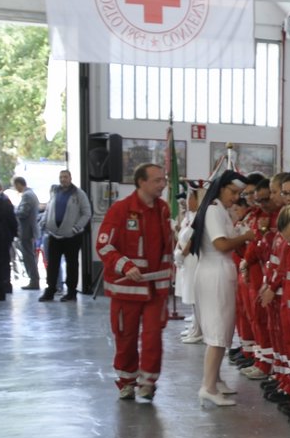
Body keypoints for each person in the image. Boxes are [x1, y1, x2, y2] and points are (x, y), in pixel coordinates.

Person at [96, 164, 174, 401]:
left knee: (152, 338)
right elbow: (104, 246)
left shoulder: (163, 209)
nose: (162, 184)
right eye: (157, 180)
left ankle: (148, 383)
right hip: (126, 290)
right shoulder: (120, 210)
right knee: (125, 337)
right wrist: (125, 266)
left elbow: (166, 247)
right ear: (141, 182)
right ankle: (127, 381)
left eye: (164, 180)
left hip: (154, 289)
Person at [189, 171, 256, 407]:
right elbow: (220, 244)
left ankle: (215, 379)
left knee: (222, 329)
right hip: (214, 273)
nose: (236, 198)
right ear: (221, 188)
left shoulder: (220, 210)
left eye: (239, 194)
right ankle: (207, 387)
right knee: (217, 332)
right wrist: (247, 236)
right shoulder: (214, 210)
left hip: (218, 272)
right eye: (233, 192)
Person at [41, 170, 91, 302]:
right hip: (54, 235)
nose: (63, 179)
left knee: (72, 265)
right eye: (61, 177)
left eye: (65, 177)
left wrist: (76, 228)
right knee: (52, 264)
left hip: (72, 237)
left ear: (70, 178)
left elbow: (87, 213)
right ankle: (50, 290)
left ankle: (71, 292)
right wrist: (45, 222)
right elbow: (48, 208)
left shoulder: (79, 194)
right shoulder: (54, 192)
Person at [177, 188, 202, 343]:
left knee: (196, 296)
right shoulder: (190, 216)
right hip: (187, 261)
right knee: (192, 297)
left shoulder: (199, 217)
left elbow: (193, 239)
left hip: (193, 259)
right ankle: (196, 327)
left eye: (189, 198)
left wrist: (182, 253)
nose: (187, 201)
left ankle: (200, 330)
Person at [12, 176, 41, 291]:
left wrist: (13, 210)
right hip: (30, 230)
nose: (15, 188)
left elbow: (23, 212)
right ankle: (34, 280)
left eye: (15, 186)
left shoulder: (27, 195)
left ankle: (34, 280)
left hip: (27, 231)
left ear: (19, 184)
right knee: (30, 255)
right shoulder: (31, 194)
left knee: (28, 256)